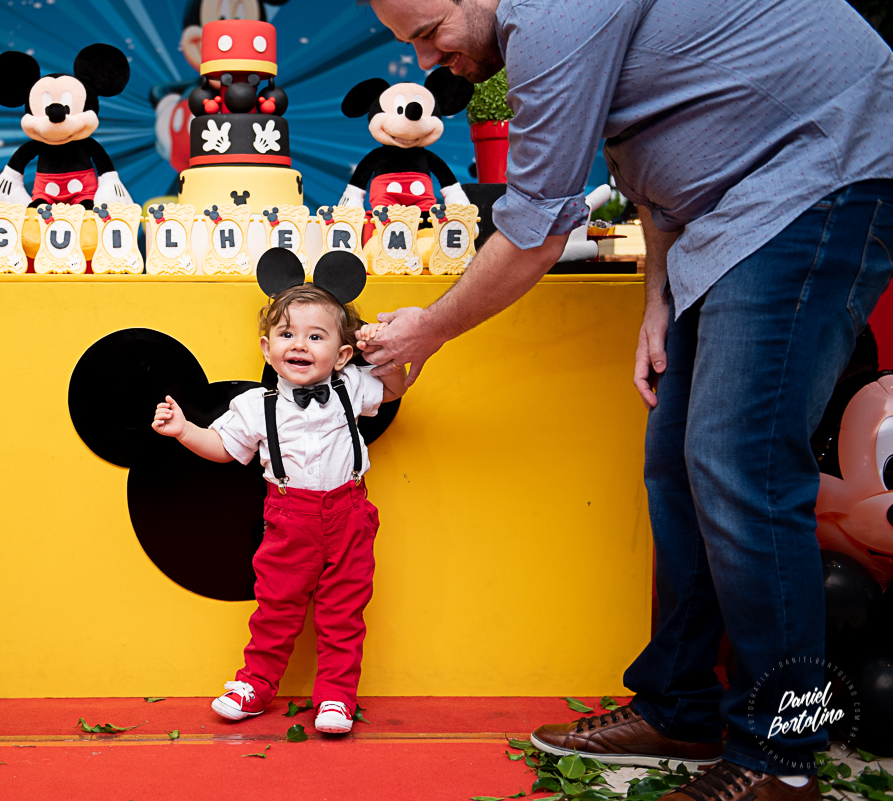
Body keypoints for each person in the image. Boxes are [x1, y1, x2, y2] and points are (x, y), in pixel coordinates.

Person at [357, 0, 893, 795]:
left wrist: (429, 329)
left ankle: (778, 759)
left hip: (821, 178)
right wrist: (658, 298)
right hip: (735, 217)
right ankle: (679, 705)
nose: (430, 61)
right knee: (678, 460)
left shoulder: (550, 16)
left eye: (430, 33)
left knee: (741, 465)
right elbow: (665, 163)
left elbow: (536, 228)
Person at [152, 266, 408, 734]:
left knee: (343, 612)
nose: (299, 345)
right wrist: (185, 430)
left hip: (349, 515)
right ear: (267, 348)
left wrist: (381, 351)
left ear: (342, 354)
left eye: (316, 336)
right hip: (290, 519)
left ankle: (336, 696)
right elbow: (224, 448)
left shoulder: (352, 385)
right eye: (287, 334)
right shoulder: (254, 406)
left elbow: (394, 388)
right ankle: (255, 685)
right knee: (276, 607)